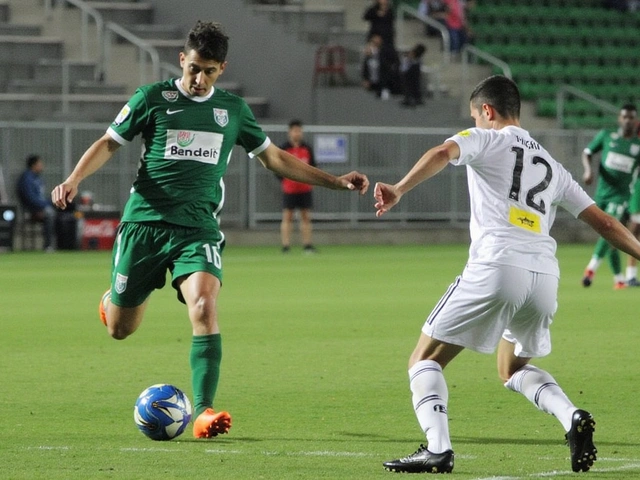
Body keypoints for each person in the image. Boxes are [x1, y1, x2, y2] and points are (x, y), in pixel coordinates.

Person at [51, 21, 369, 440]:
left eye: (210, 71)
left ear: (222, 68)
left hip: (196, 229)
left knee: (203, 307)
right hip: (144, 225)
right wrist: (74, 178)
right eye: (194, 69)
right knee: (119, 329)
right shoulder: (153, 99)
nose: (199, 80)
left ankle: (202, 411)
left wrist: (334, 181)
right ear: (182, 60)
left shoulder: (233, 111)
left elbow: (273, 158)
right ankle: (114, 299)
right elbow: (110, 142)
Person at [373, 75, 640, 474]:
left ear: (487, 111)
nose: (475, 123)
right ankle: (571, 417)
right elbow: (603, 223)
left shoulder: (486, 138)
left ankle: (437, 448)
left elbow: (442, 152)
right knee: (511, 368)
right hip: (545, 277)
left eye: (475, 116)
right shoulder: (551, 164)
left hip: (497, 265)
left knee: (423, 359)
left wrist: (399, 188)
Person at [581, 104, 640, 289]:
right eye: (625, 117)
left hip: (621, 196)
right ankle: (619, 279)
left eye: (632, 117)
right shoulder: (606, 136)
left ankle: (591, 268)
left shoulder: (637, 146)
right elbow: (587, 153)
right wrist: (588, 171)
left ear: (636, 121)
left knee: (609, 226)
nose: (628, 120)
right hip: (602, 194)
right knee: (609, 235)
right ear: (620, 119)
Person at [279, 120, 317, 253]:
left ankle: (307, 245)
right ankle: (286, 246)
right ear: (290, 132)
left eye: (299, 130)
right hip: (289, 189)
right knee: (287, 217)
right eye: (294, 130)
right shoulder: (284, 148)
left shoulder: (307, 148)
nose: (297, 133)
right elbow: (277, 167)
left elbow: (313, 167)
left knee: (306, 217)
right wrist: (284, 181)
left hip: (305, 188)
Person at [16, 154, 56, 251]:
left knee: (61, 211)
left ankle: (64, 244)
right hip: (31, 210)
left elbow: (40, 197)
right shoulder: (27, 179)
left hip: (41, 207)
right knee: (49, 213)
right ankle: (48, 245)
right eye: (39, 163)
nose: (42, 165)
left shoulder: (38, 178)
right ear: (33, 165)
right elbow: (30, 198)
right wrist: (46, 204)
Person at [361, 33, 400, 100]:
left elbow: (387, 65)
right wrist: (366, 79)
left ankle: (385, 89)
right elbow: (365, 67)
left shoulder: (386, 50)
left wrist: (375, 53)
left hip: (385, 81)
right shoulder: (369, 54)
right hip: (373, 81)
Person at [399, 43, 426, 108]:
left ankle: (409, 99)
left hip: (409, 71)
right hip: (414, 70)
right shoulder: (419, 58)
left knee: (408, 86)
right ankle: (417, 98)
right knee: (415, 85)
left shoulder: (411, 55)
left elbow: (406, 64)